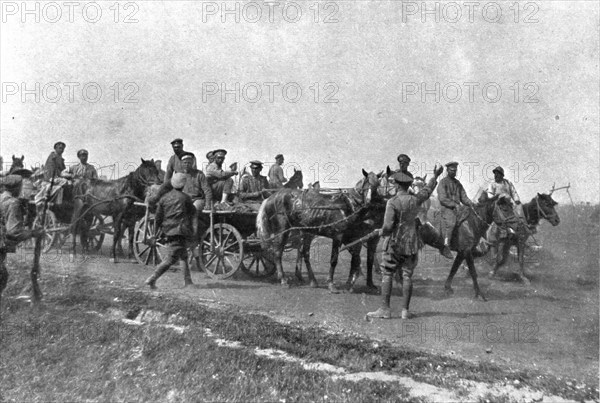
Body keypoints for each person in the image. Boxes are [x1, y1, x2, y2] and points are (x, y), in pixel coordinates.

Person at [366, 164, 443, 320]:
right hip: (412, 243)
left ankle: (385, 310)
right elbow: (427, 190)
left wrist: (380, 231)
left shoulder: (392, 202)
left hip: (394, 243)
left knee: (387, 273)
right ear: (409, 185)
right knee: (407, 275)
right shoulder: (416, 199)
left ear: (396, 184)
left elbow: (387, 227)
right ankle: (405, 311)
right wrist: (435, 175)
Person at [144, 173, 195, 289]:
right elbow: (192, 213)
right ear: (183, 185)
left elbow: (158, 218)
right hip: (180, 231)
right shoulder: (186, 198)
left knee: (183, 256)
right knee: (170, 259)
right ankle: (151, 279)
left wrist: (159, 232)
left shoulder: (163, 198)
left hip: (169, 231)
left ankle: (188, 282)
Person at [1, 175, 42, 297]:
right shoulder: (13, 203)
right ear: (17, 188)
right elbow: (14, 232)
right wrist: (33, 233)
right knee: (2, 276)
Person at [437, 161, 475, 258]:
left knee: (470, 220)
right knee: (451, 223)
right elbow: (442, 198)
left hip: (458, 209)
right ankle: (446, 247)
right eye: (451, 170)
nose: (453, 172)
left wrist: (471, 203)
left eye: (455, 170)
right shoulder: (443, 182)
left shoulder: (458, 184)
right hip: (447, 209)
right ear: (447, 170)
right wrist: (454, 204)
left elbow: (464, 197)